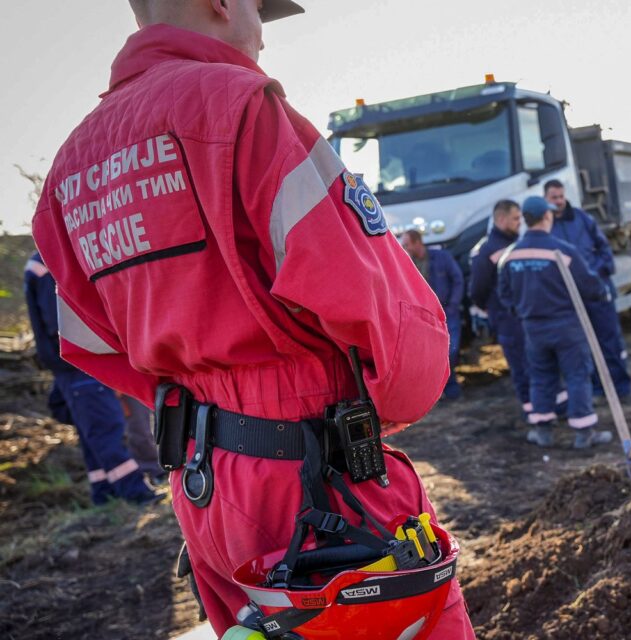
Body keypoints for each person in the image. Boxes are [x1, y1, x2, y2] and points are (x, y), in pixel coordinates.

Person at [30, 1, 474, 636]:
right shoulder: (241, 106)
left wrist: (200, 403)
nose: (261, 34)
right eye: (259, 9)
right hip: (317, 483)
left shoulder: (70, 168)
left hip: (201, 485)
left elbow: (91, 343)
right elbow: (383, 310)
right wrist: (376, 405)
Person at [23, 252, 158, 506]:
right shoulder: (49, 263)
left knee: (92, 434)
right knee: (106, 430)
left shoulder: (42, 262)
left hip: (73, 366)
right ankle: (136, 493)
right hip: (81, 363)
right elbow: (60, 322)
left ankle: (104, 494)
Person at [498, 196, 614, 449]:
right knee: (577, 374)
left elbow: (504, 294)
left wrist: (522, 312)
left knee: (540, 376)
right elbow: (590, 285)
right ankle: (584, 433)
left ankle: (543, 432)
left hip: (532, 328)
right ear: (546, 217)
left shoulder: (510, 255)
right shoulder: (562, 251)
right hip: (566, 325)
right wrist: (603, 293)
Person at [544, 180, 631, 405]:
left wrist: (594, 274)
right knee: (583, 347)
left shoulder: (583, 219)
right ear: (546, 199)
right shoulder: (546, 226)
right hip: (569, 297)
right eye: (554, 197)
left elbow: (604, 250)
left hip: (598, 292)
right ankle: (598, 391)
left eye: (561, 196)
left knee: (611, 342)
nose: (559, 201)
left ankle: (622, 389)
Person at [470, 200, 532, 414]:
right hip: (506, 318)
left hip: (524, 316)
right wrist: (492, 309)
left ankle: (548, 407)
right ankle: (532, 410)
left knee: (535, 362)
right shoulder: (486, 250)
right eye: (515, 219)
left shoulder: (520, 243)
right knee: (521, 364)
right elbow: (477, 289)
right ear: (501, 219)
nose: (519, 223)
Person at [402, 229, 465, 400]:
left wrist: (452, 304)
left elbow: (457, 279)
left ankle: (450, 388)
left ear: (417, 242)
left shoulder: (442, 257)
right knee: (434, 355)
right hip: (425, 318)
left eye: (407, 244)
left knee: (450, 351)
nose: (404, 248)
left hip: (447, 313)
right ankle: (444, 390)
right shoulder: (407, 263)